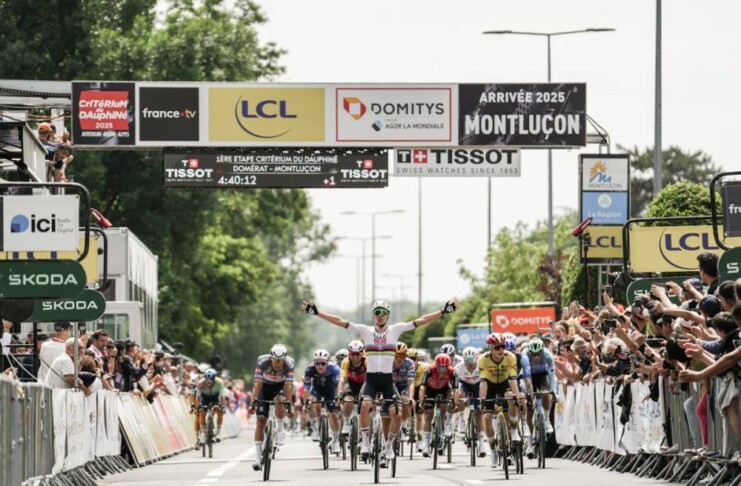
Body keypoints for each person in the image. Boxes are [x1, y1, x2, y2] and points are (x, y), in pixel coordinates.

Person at [301, 297, 459, 462]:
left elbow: (421, 321)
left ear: (388, 315)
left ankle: (389, 445)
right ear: (373, 315)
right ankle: (365, 443)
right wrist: (317, 313)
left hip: (387, 380)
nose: (380, 315)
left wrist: (443, 311)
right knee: (364, 406)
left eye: (383, 312)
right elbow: (340, 321)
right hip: (370, 380)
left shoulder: (395, 330)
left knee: (397, 414)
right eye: (377, 312)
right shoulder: (366, 331)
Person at [478, 332, 521, 468]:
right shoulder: (483, 359)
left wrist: (517, 398)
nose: (501, 350)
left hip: (504, 383)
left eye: (503, 346)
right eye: (497, 347)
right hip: (489, 385)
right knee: (486, 418)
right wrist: (482, 401)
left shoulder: (510, 357)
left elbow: (513, 380)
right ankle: (493, 451)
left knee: (510, 397)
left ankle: (514, 429)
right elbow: (483, 383)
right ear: (490, 348)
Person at [250, 344, 294, 471]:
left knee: (280, 400)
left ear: (285, 359)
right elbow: (257, 384)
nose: (278, 364)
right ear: (270, 358)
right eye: (276, 360)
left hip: (280, 387)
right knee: (260, 422)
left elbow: (288, 387)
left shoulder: (289, 364)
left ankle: (280, 429)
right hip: (264, 388)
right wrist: (253, 403)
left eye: (281, 361)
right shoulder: (262, 361)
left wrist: (288, 404)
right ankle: (257, 459)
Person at [522, 338, 558, 458]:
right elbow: (525, 378)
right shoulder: (525, 355)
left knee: (546, 393)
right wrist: (527, 393)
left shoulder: (548, 355)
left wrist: (554, 391)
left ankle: (546, 420)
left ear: (542, 351)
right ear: (530, 352)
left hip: (542, 375)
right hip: (529, 377)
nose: (536, 357)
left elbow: (552, 375)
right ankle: (529, 444)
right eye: (533, 354)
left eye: (538, 354)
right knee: (529, 411)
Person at [303, 349, 341, 453]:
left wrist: (337, 398)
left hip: (330, 390)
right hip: (317, 389)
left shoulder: (334, 368)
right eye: (317, 363)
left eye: (323, 363)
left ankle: (336, 440)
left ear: (327, 363)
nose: (320, 366)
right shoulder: (309, 369)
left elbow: (337, 386)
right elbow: (306, 389)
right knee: (311, 401)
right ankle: (315, 428)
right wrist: (305, 403)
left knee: (334, 415)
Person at [419, 353, 456, 457]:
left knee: (444, 410)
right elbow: (422, 387)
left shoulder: (453, 371)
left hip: (444, 389)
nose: (442, 370)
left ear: (448, 366)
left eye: (444, 368)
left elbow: (456, 389)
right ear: (436, 365)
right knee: (428, 414)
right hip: (430, 390)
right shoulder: (429, 370)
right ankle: (426, 444)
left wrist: (455, 402)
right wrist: (421, 401)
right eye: (439, 367)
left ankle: (444, 431)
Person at [454, 346, 487, 456]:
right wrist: (456, 399)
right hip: (464, 384)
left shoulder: (482, 365)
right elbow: (455, 384)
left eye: (471, 360)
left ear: (476, 358)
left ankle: (481, 443)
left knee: (479, 413)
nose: (469, 363)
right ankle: (461, 420)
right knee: (460, 394)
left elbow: (486, 382)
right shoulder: (459, 367)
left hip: (478, 385)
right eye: (466, 360)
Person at [338, 339, 367, 435]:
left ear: (362, 353)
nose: (355, 357)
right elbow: (342, 379)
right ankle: (346, 422)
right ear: (349, 354)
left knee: (368, 402)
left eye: (357, 354)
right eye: (352, 354)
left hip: (364, 383)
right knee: (347, 400)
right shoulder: (346, 361)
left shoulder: (366, 361)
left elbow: (371, 378)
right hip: (351, 383)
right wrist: (339, 393)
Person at [194, 368, 227, 446]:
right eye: (207, 381)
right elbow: (197, 398)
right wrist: (197, 408)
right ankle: (204, 432)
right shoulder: (200, 383)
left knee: (219, 412)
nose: (209, 383)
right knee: (202, 413)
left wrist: (223, 407)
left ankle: (218, 432)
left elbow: (222, 397)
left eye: (211, 381)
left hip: (215, 397)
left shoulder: (219, 382)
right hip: (205, 397)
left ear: (214, 379)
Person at [390, 342, 415, 443]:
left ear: (406, 356)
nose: (399, 358)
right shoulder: (388, 362)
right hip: (391, 385)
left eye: (402, 355)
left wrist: (411, 397)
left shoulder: (409, 363)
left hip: (404, 385)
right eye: (397, 355)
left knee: (405, 402)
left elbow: (411, 383)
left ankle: (404, 425)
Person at [409, 347, 429, 452]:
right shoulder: (404, 366)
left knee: (419, 416)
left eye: (414, 359)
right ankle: (405, 427)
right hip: (408, 388)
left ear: (417, 359)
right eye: (409, 359)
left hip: (419, 389)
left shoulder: (424, 367)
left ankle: (420, 440)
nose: (412, 361)